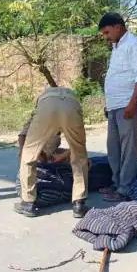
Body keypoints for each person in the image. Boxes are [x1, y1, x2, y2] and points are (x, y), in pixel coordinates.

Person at [14, 87, 89, 218]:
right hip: (72, 105)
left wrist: (27, 154)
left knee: (28, 156)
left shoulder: (41, 106)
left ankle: (28, 203)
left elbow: (25, 142)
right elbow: (78, 147)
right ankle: (79, 204)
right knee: (80, 156)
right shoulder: (71, 99)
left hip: (48, 107)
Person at [98, 12, 137, 202]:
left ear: (118, 27)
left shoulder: (134, 45)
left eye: (107, 32)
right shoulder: (117, 46)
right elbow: (117, 76)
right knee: (113, 147)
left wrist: (132, 104)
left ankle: (125, 189)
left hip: (129, 105)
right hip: (115, 106)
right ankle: (116, 182)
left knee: (128, 149)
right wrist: (109, 104)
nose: (106, 36)